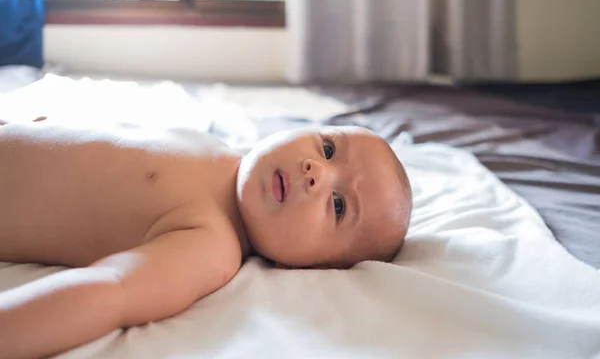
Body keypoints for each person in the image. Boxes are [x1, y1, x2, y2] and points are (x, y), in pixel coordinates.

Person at [0, 117, 412, 359]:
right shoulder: (218, 147)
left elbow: (108, 291)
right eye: (327, 147)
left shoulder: (212, 244)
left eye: (338, 205)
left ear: (315, 265)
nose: (316, 172)